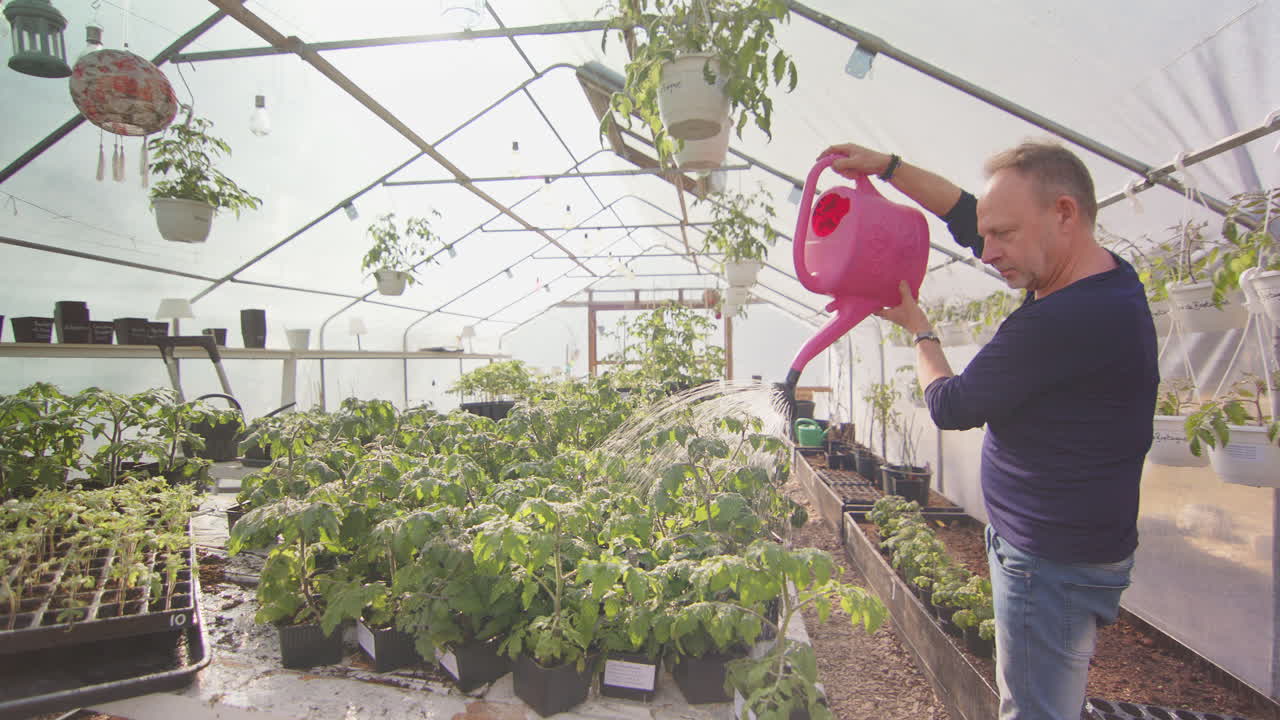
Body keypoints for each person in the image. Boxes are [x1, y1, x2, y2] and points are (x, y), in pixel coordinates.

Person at [819, 141, 1159, 720]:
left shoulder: (1060, 322)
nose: (988, 251)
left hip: (1048, 561)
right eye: (989, 234)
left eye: (1002, 235)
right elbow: (964, 214)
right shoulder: (1095, 277)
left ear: (1065, 212)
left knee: (1035, 710)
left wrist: (919, 331)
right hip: (1066, 547)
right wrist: (889, 169)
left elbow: (951, 405)